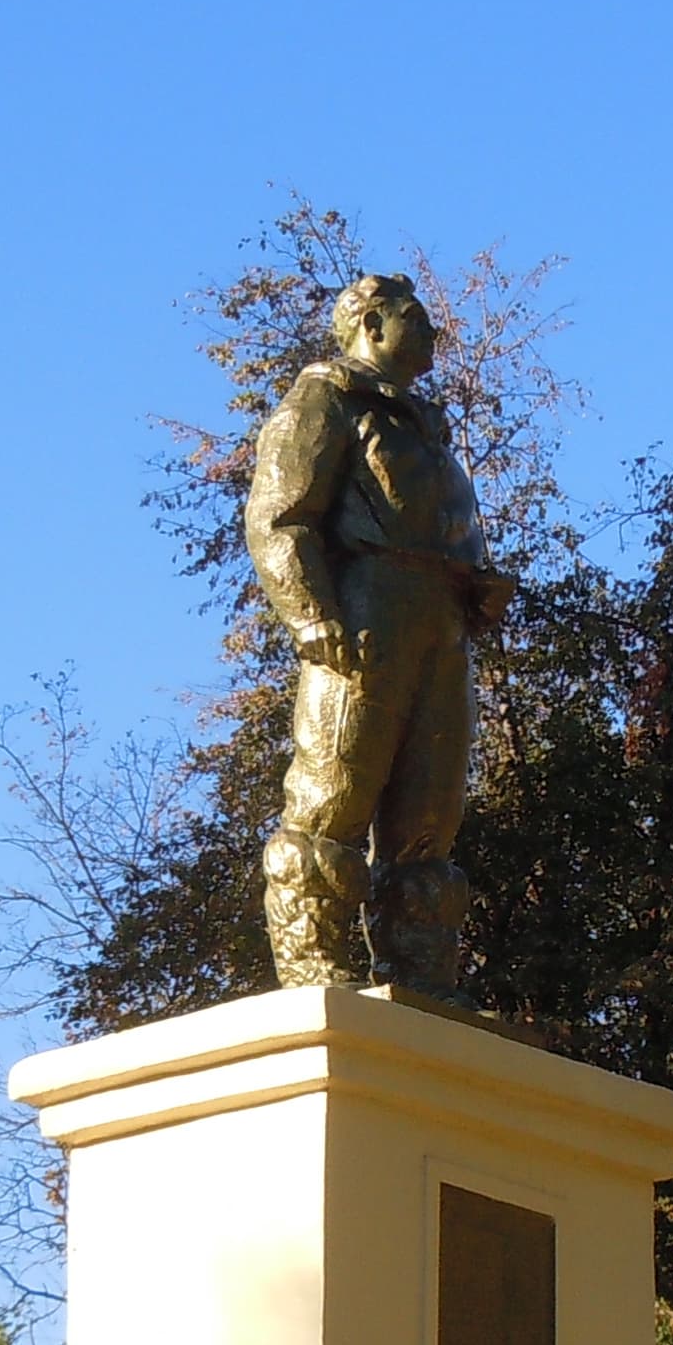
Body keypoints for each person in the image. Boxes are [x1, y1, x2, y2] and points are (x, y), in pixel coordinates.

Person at [241, 272, 513, 990]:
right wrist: (309, 612)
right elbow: (280, 516)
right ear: (372, 324)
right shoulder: (326, 397)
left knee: (431, 808)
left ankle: (422, 977)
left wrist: (477, 585)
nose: (432, 331)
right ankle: (314, 967)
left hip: (440, 620)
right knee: (336, 789)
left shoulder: (423, 423)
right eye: (414, 316)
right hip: (366, 611)